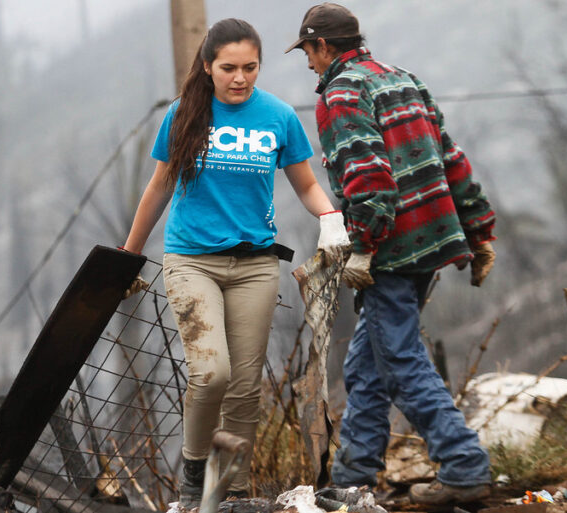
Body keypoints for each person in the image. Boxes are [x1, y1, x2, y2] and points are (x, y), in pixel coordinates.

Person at [122, 18, 350, 507]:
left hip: (255, 266)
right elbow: (159, 186)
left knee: (245, 387)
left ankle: (232, 491)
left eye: (250, 68)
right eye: (228, 68)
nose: (240, 78)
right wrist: (129, 253)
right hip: (191, 261)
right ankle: (194, 471)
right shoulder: (184, 115)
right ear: (207, 67)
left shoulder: (278, 116)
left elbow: (306, 184)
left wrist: (331, 217)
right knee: (212, 374)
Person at [286, 3, 497, 505]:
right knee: (366, 365)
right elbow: (450, 156)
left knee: (401, 361)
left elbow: (369, 180)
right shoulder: (403, 79)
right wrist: (479, 229)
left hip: (392, 249)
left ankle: (465, 466)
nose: (309, 64)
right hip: (433, 241)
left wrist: (362, 249)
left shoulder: (340, 93)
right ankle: (353, 478)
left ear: (323, 47)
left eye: (309, 53)